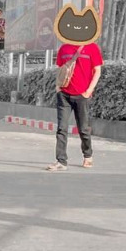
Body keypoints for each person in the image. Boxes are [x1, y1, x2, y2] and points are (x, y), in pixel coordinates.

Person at [46, 25, 103, 172]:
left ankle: (88, 155)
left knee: (83, 128)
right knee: (61, 128)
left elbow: (97, 71)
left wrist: (88, 91)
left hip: (82, 95)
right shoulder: (64, 48)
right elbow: (61, 68)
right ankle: (61, 161)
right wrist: (58, 88)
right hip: (64, 94)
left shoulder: (92, 47)